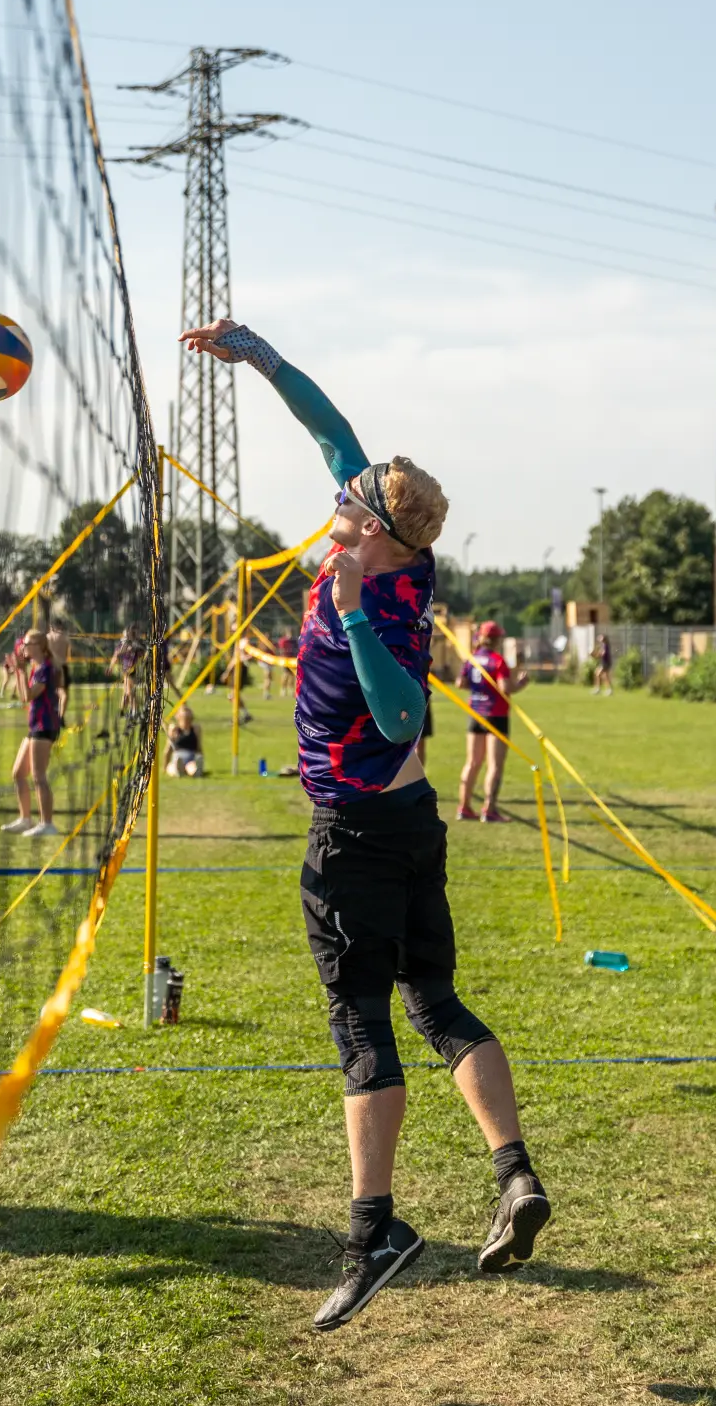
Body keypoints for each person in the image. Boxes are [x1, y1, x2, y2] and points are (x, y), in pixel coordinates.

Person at [182, 316, 552, 1332]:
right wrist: (258, 355)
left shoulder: (378, 605)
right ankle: (513, 1173)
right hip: (411, 820)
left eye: (351, 503)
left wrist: (347, 612)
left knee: (361, 1025)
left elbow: (400, 717)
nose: (336, 500)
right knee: (434, 999)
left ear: (380, 534)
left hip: (356, 830)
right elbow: (331, 429)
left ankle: (372, 1232)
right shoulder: (395, 549)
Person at [456, 620, 525, 823]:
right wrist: (521, 683)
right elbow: (505, 688)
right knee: (494, 765)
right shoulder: (497, 660)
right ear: (496, 640)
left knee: (472, 762)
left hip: (476, 713)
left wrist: (480, 689)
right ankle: (489, 809)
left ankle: (464, 807)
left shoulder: (472, 658)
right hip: (496, 715)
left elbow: (460, 683)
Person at [2, 630, 60, 838]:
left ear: (40, 646)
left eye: (27, 643)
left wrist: (22, 671)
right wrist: (19, 672)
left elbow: (28, 695)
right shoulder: (37, 668)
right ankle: (25, 819)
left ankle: (47, 823)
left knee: (38, 776)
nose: (23, 647)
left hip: (45, 726)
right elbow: (23, 696)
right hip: (35, 725)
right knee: (18, 773)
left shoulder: (46, 669)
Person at [166, 704, 204, 777]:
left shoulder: (195, 729)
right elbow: (168, 749)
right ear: (179, 718)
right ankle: (178, 770)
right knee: (170, 767)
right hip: (177, 758)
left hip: (191, 758)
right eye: (184, 718)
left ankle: (195, 772)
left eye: (188, 719)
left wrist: (201, 757)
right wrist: (165, 766)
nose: (186, 721)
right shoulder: (174, 729)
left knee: (191, 767)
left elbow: (199, 747)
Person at [46, 617, 72, 724]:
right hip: (62, 666)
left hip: (51, 666)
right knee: (64, 694)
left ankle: (52, 716)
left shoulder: (47, 637)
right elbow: (67, 653)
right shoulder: (65, 638)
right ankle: (61, 717)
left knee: (52, 693)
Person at [592, 631, 613, 695]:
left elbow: (602, 654)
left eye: (600, 637)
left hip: (605, 663)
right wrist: (595, 655)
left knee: (599, 674)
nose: (599, 638)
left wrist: (594, 655)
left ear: (603, 639)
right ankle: (606, 689)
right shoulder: (603, 645)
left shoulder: (605, 645)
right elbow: (601, 653)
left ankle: (602, 689)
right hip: (605, 662)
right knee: (602, 675)